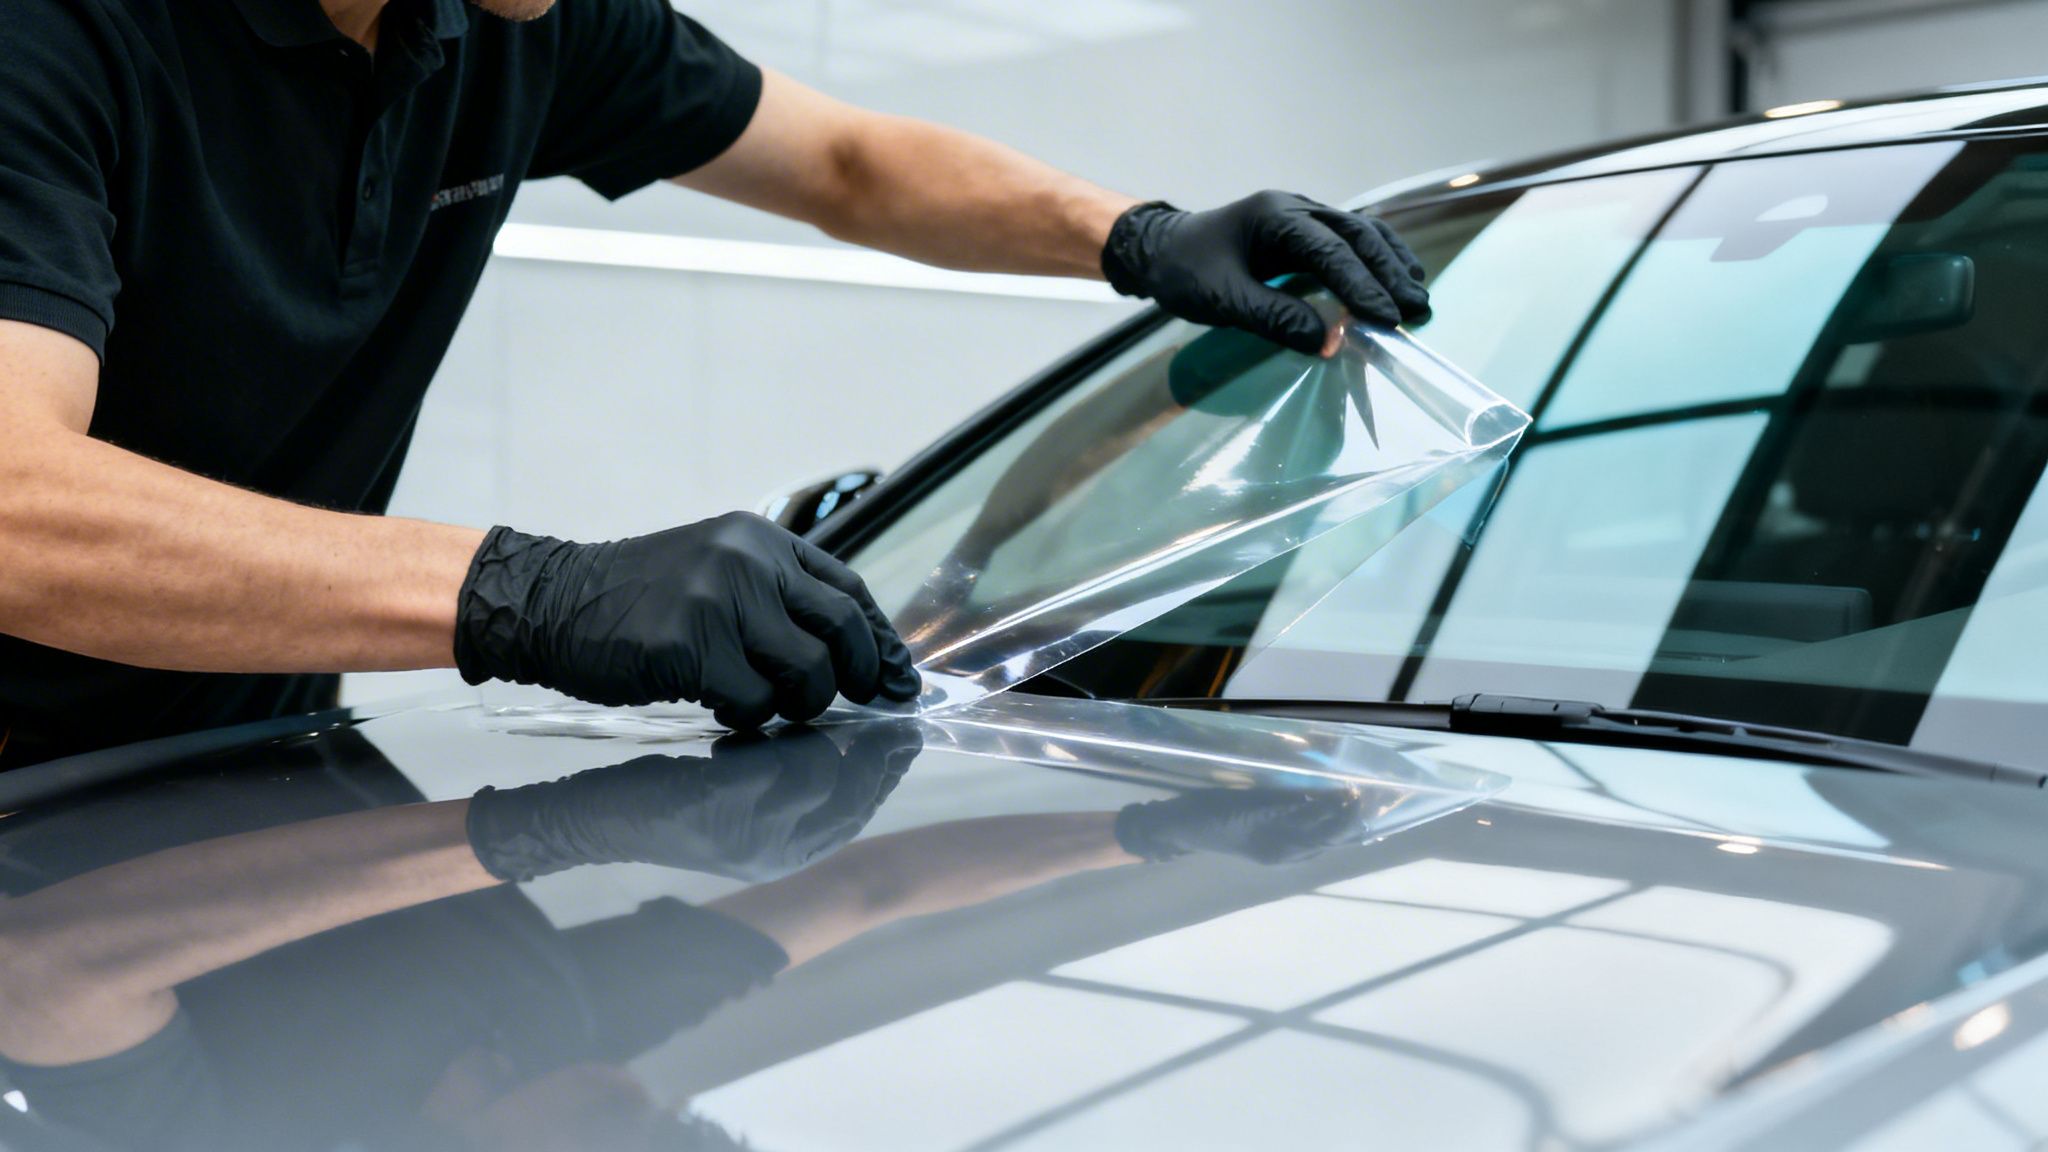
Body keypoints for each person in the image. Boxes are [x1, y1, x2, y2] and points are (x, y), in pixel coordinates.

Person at [0, 0, 1432, 766]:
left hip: (261, 762)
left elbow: (842, 163)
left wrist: (1134, 235)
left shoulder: (512, 18)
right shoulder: (53, 42)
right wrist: (531, 592)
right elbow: (13, 504)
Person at [0, 720, 1371, 1150]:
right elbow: (863, 897)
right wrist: (1150, 836)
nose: (657, 1106)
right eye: (679, 1130)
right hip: (246, 690)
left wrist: (539, 833)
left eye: (632, 1139)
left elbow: (40, 971)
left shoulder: (244, 1141)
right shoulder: (576, 1054)